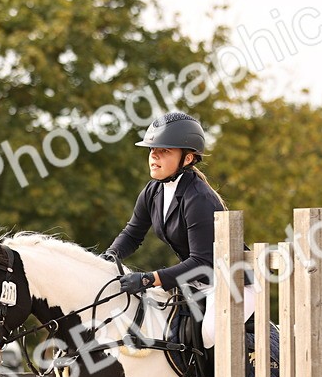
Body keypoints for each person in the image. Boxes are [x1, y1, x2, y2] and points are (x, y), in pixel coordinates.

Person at [103, 111, 253, 348]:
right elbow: (132, 234)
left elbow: (202, 261)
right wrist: (108, 257)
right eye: (152, 150)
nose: (154, 156)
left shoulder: (198, 198)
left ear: (187, 158)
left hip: (233, 283)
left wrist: (149, 279)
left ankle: (249, 367)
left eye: (164, 151)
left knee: (208, 336)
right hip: (196, 282)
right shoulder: (153, 191)